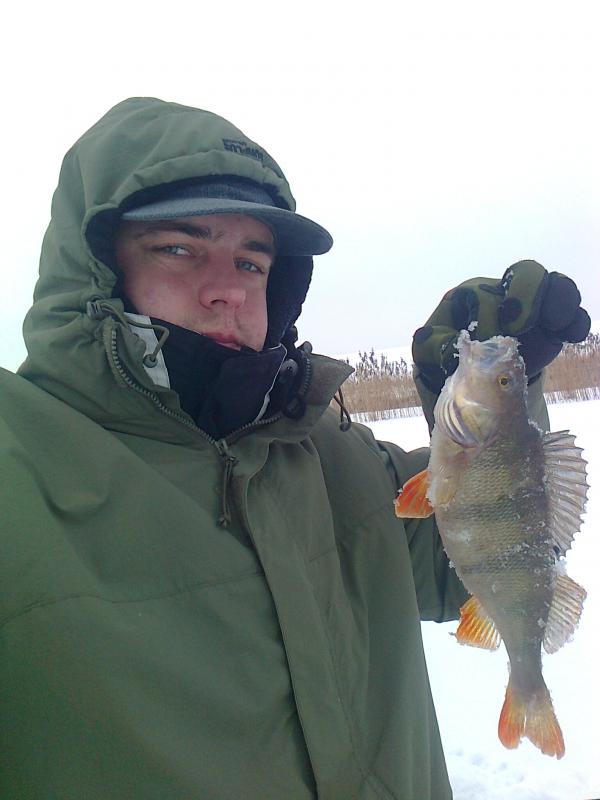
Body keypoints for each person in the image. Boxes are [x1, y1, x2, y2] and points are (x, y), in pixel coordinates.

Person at [0, 97, 590, 800]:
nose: (227, 289)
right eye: (178, 248)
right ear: (97, 265)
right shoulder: (20, 472)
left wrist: (488, 398)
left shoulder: (327, 453)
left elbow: (463, 561)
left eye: (252, 263)